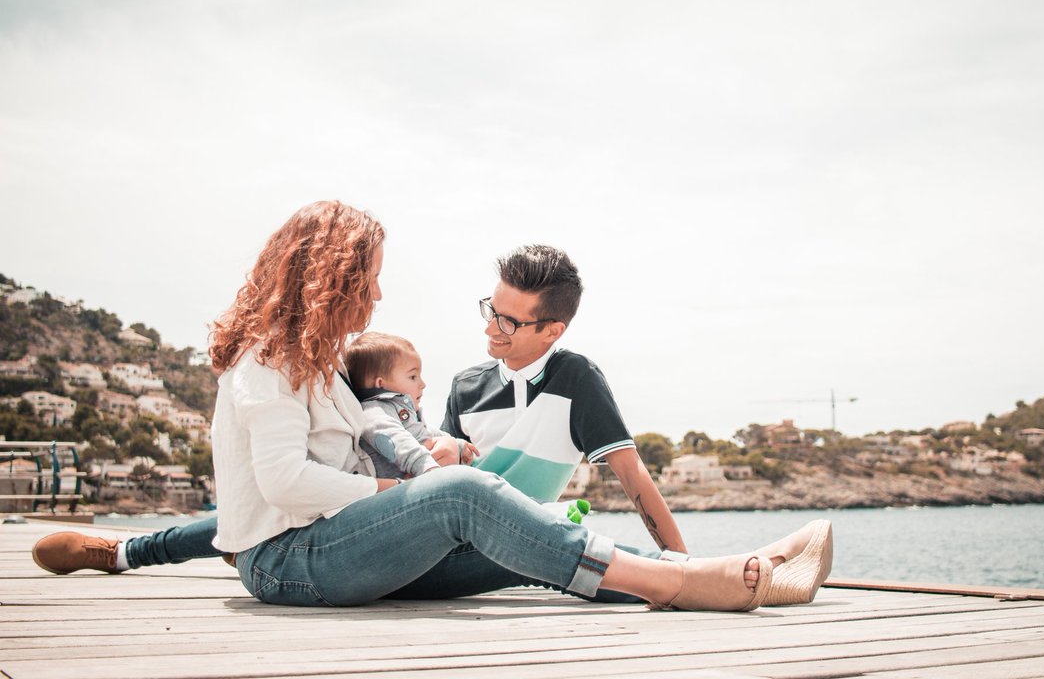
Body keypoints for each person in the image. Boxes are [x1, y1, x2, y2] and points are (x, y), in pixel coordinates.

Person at [31, 200, 833, 611]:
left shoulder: (316, 366)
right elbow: (280, 485)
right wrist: (408, 489)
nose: (379, 293)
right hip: (288, 566)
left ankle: (721, 573)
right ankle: (682, 586)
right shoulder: (264, 362)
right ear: (330, 280)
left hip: (322, 550)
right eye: (368, 278)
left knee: (527, 538)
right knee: (462, 496)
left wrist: (413, 481)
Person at [442, 245, 688, 552]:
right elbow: (438, 482)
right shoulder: (464, 387)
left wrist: (680, 557)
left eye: (508, 322)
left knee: (555, 539)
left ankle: (689, 574)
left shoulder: (576, 377)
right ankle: (690, 577)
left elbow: (629, 471)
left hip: (526, 544)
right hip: (451, 549)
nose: (489, 328)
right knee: (562, 540)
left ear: (552, 331)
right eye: (491, 310)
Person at [346, 332, 479, 478]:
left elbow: (424, 433)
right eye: (413, 377)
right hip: (400, 489)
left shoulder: (400, 411)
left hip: (417, 475)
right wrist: (428, 468)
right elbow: (398, 443)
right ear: (380, 384)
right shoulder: (374, 413)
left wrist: (458, 444)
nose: (422, 384)